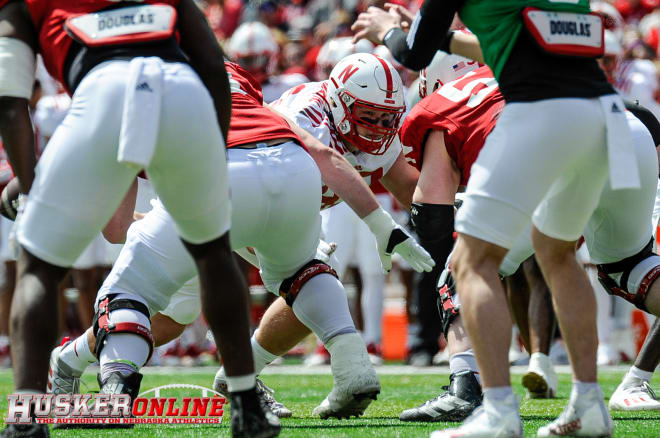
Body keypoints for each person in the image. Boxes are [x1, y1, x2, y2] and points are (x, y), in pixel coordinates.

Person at [46, 59, 434, 421]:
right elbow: (316, 155)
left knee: (135, 300)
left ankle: (111, 388)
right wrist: (382, 226)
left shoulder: (132, 94)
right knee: (302, 279)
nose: (379, 127)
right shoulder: (264, 95)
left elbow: (116, 229)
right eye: (369, 116)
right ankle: (75, 359)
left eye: (387, 119)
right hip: (257, 179)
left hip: (214, 185)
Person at [353, 2, 634, 436]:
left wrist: (388, 29)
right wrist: (441, 37)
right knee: (558, 254)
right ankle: (589, 403)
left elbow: (412, 55)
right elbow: (513, 44)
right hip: (605, 111)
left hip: (539, 109)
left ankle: (499, 410)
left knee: (468, 263)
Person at [0, 1, 278, 437]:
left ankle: (27, 420)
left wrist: (30, 182)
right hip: (182, 90)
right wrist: (213, 154)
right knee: (212, 253)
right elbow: (210, 63)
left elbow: (10, 101)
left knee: (38, 268)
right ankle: (247, 405)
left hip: (102, 89)